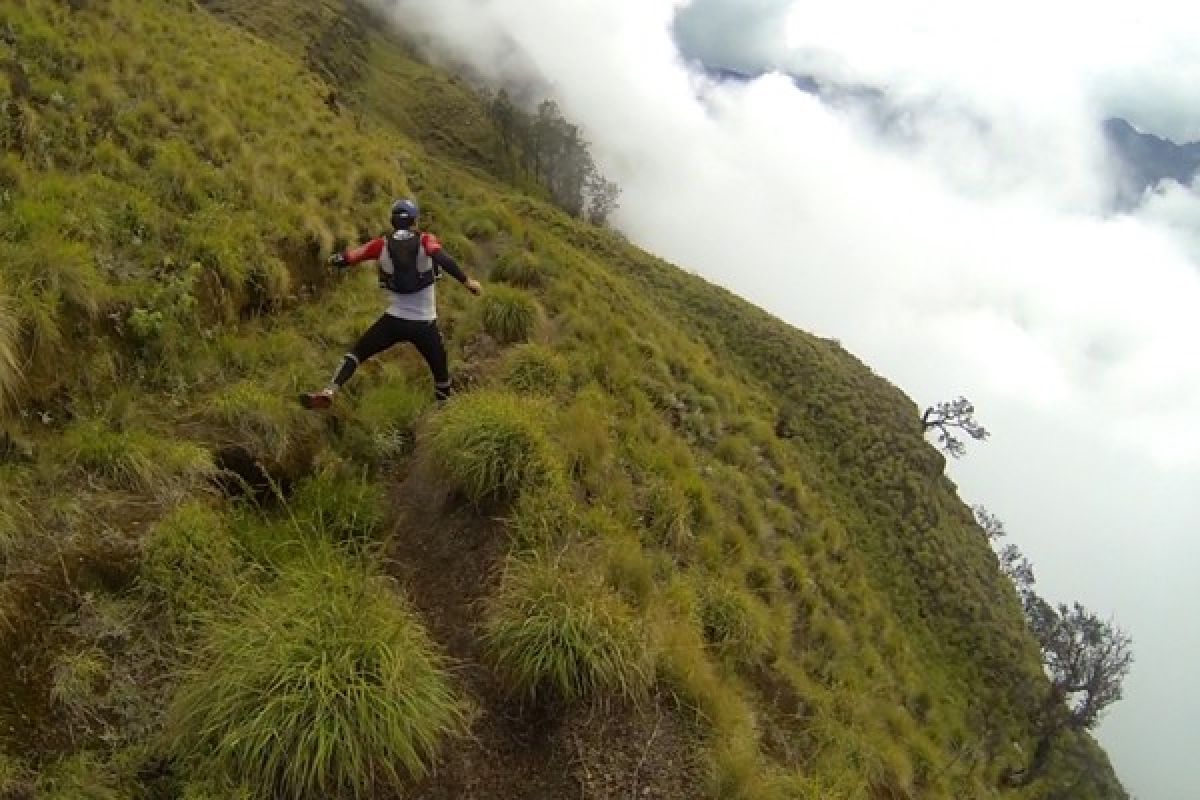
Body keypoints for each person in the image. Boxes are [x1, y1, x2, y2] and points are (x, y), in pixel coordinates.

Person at [300, 198, 482, 410]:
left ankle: (330, 390)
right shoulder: (426, 240)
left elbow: (349, 257)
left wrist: (328, 259)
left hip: (394, 321)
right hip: (424, 325)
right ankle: (444, 414)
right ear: (414, 221)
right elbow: (441, 257)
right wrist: (468, 282)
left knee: (356, 353)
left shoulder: (381, 245)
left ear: (393, 221)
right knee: (441, 373)